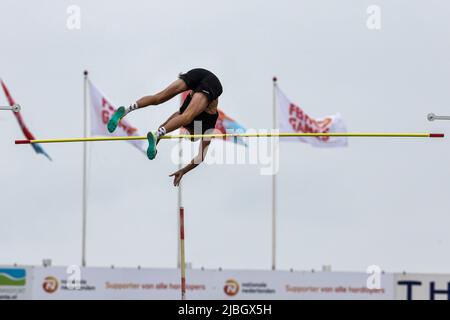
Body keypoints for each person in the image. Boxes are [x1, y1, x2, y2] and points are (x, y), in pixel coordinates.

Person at [107, 68, 223, 186]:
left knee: (159, 97)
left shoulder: (182, 116)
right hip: (212, 83)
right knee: (186, 117)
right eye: (192, 136)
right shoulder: (208, 127)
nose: (186, 133)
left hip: (198, 73)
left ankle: (126, 111)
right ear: (197, 133)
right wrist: (184, 171)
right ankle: (154, 131)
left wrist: (153, 147)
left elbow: (163, 127)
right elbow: (201, 156)